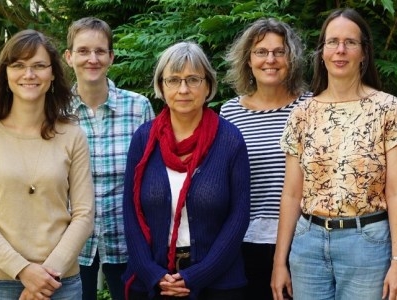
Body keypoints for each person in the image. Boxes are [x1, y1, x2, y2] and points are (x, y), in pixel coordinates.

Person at [270, 8, 397, 300]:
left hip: (366, 245)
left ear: (364, 53)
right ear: (322, 51)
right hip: (307, 245)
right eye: (332, 42)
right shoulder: (302, 113)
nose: (340, 50)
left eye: (350, 42)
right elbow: (292, 194)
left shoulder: (388, 109)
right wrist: (278, 262)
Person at [0, 29, 95, 300]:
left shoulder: (72, 135)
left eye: (39, 66)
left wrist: (46, 276)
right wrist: (23, 271)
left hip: (60, 283)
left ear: (53, 73)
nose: (29, 74)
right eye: (19, 65)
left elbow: (84, 214)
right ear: (6, 73)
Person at [122, 41, 251, 300]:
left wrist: (198, 275)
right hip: (154, 283)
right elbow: (130, 212)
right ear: (161, 86)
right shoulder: (143, 138)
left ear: (208, 86)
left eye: (193, 79)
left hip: (219, 284)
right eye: (174, 80)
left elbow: (239, 216)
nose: (183, 89)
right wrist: (152, 273)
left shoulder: (230, 140)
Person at [64, 17, 155, 300]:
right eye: (83, 51)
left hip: (128, 242)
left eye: (100, 51)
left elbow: (152, 178)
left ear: (111, 57)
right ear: (69, 57)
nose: (92, 59)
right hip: (70, 245)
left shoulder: (138, 107)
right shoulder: (53, 112)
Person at [219, 18, 309, 299]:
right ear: (247, 60)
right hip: (244, 242)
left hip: (301, 240)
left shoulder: (311, 107)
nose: (270, 59)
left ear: (291, 58)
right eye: (261, 52)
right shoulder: (230, 113)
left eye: (279, 52)